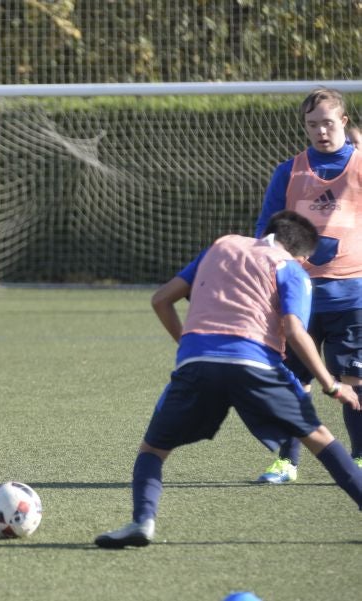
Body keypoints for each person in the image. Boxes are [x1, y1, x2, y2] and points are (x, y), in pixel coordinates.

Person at [94, 210, 362, 549]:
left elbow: (161, 299)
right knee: (320, 438)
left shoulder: (219, 248)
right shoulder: (289, 268)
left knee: (154, 449)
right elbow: (295, 330)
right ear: (302, 253)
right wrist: (332, 384)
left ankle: (142, 522)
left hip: (197, 362)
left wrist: (188, 345)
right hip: (256, 365)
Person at [252, 88, 362, 484]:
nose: (320, 131)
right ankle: (287, 461)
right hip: (299, 297)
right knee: (292, 381)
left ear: (344, 123)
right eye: (312, 124)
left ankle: (360, 458)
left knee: (355, 379)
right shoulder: (289, 171)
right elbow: (266, 230)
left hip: (353, 296)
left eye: (328, 123)